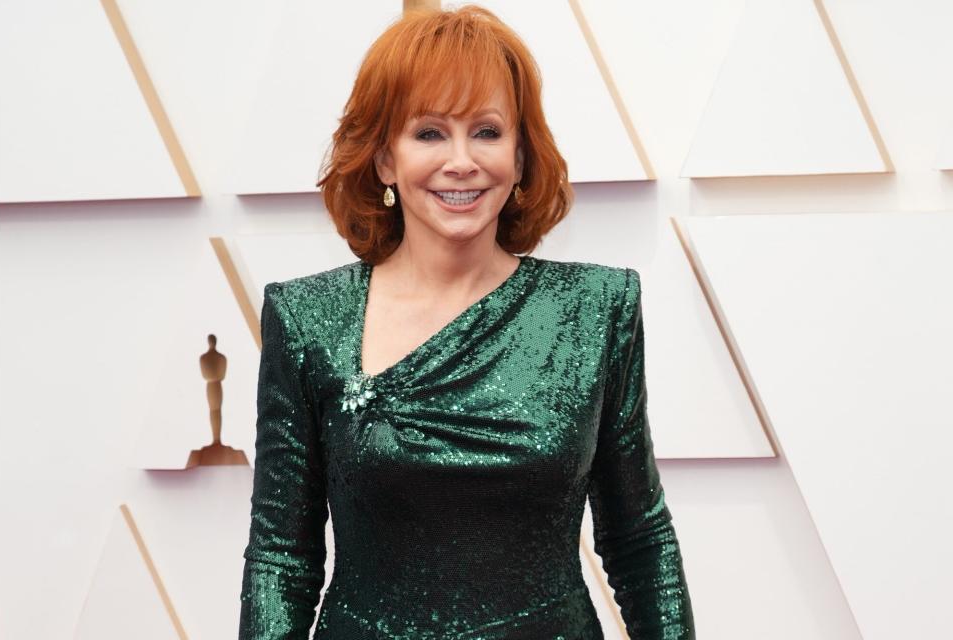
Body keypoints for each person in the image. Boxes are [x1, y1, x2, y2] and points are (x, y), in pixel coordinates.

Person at [238, 5, 695, 639]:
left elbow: (639, 540)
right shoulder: (307, 320)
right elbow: (281, 560)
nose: (461, 161)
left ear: (521, 152)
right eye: (428, 133)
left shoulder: (598, 307)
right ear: (383, 160)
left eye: (486, 130)